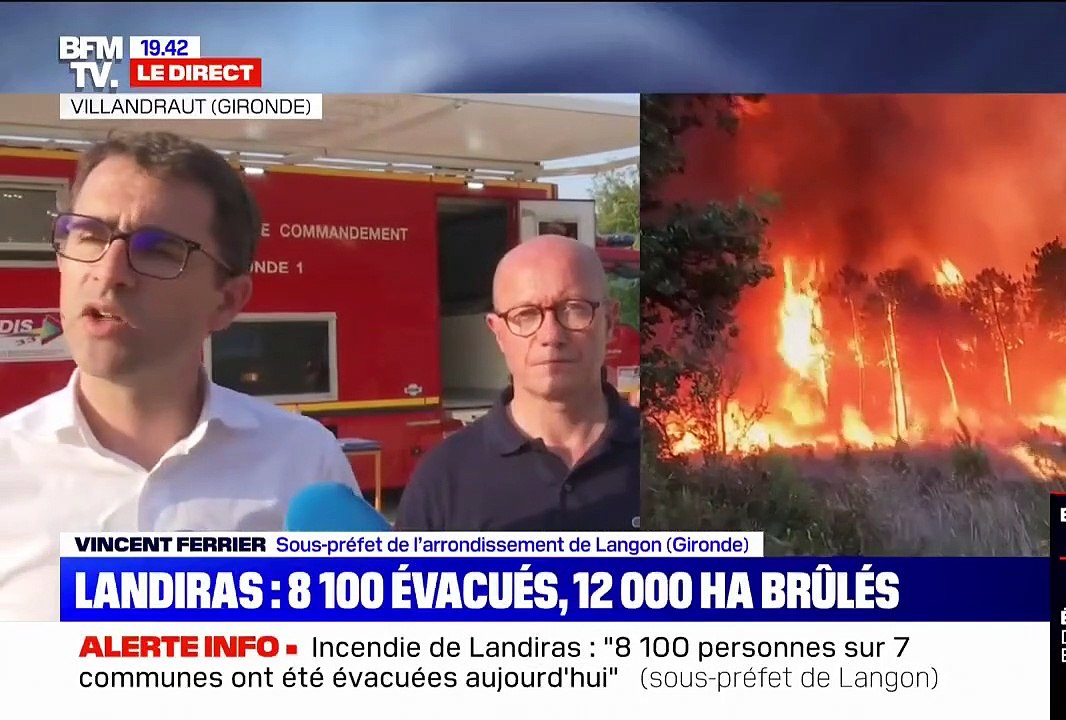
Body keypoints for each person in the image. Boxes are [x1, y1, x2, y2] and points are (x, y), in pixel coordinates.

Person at [0, 131, 359, 620]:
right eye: (89, 234)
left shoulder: (303, 459)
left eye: (158, 249)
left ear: (228, 301)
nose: (109, 272)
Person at [395, 235, 640, 531]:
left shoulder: (668, 463)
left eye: (574, 309)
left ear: (611, 322)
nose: (551, 335)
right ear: (497, 333)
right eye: (525, 315)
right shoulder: (443, 479)